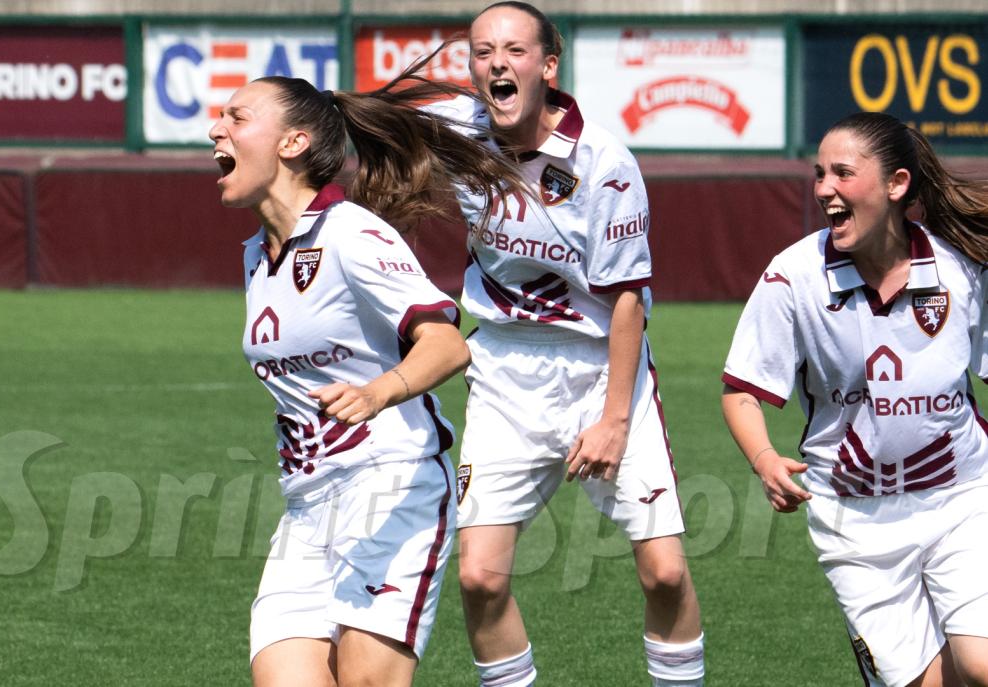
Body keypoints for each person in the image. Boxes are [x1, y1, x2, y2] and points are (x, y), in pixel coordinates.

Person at [207, 56, 526, 686]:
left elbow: (445, 344)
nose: (216, 131)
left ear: (293, 143)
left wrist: (380, 390)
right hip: (306, 506)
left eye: (236, 117)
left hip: (391, 485)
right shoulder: (255, 255)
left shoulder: (353, 233)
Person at [425, 3, 705, 685]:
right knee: (479, 579)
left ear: (547, 67)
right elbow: (385, 151)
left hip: (601, 368)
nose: (497, 62)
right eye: (482, 50)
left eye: (515, 51)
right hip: (504, 370)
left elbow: (629, 301)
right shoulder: (460, 135)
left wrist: (612, 419)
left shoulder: (603, 161)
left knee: (664, 571)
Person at [721, 111, 988, 687]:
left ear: (895, 185)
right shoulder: (793, 277)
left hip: (963, 496)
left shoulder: (960, 271)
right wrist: (765, 460)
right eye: (819, 174)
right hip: (855, 521)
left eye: (842, 173)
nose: (823, 189)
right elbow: (742, 390)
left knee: (980, 664)